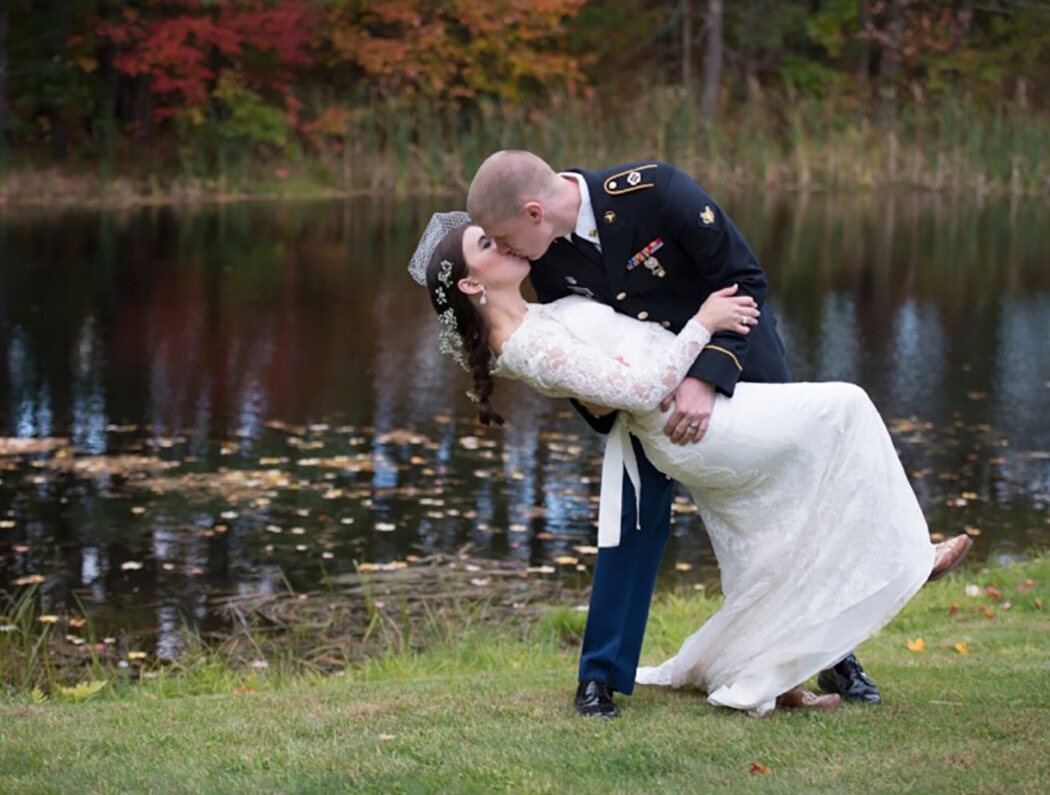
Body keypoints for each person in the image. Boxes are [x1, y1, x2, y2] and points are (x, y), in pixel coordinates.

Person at [408, 213, 970, 716]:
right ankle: (907, 555)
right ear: (470, 283)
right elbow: (640, 389)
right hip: (693, 425)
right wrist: (706, 320)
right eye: (487, 242)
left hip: (703, 412)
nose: (503, 240)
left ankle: (768, 671)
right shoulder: (528, 346)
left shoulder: (541, 310)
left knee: (764, 537)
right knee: (848, 408)